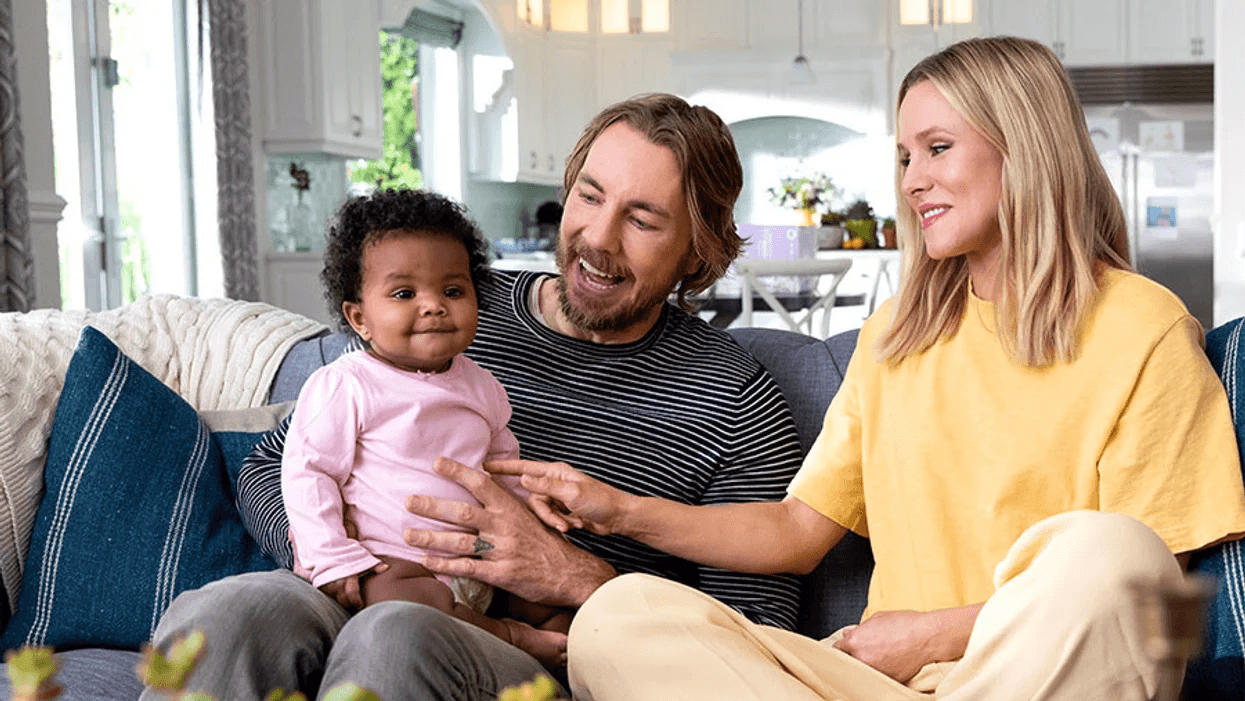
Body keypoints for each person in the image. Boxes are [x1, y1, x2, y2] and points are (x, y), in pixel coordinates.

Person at [492, 37, 1245, 701]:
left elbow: (1153, 601)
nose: (912, 179)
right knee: (621, 617)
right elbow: (794, 530)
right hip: (870, 681)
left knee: (1113, 552)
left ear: (1025, 146)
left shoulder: (1140, 328)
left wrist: (934, 636)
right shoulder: (895, 337)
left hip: (1031, 675)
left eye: (937, 148)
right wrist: (618, 509)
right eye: (904, 156)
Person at [140, 93, 806, 701]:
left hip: (539, 649)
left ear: (700, 250)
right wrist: (353, 568)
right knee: (230, 613)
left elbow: (749, 641)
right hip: (359, 579)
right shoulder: (451, 299)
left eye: (642, 220)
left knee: (394, 633)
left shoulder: (734, 401)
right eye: (589, 196)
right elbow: (272, 465)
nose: (597, 239)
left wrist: (578, 577)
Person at [281, 189, 569, 666]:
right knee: (406, 603)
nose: (434, 306)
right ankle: (508, 637)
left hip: (481, 558)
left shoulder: (482, 386)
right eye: (404, 294)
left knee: (554, 601)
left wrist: (533, 508)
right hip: (392, 559)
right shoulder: (345, 385)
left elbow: (504, 466)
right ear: (359, 318)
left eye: (453, 291)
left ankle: (559, 650)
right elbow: (307, 473)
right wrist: (331, 557)